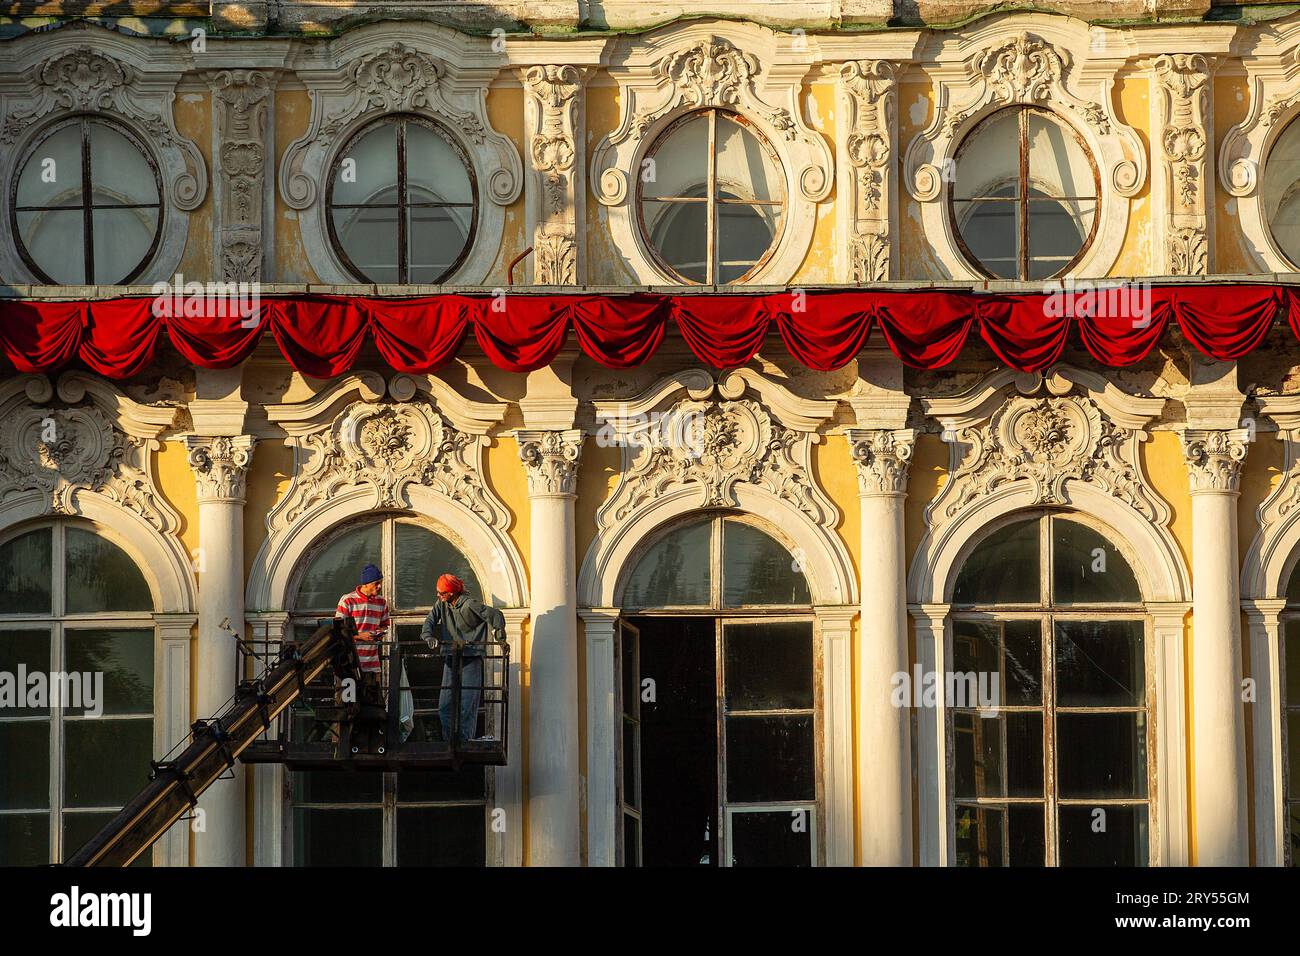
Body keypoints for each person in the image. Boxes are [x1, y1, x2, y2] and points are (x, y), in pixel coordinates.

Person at [420, 573, 505, 743]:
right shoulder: (441, 604)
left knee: (468, 704)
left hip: (470, 657)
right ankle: (449, 741)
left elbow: (496, 615)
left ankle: (464, 742)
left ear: (451, 593)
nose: (438, 595)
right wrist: (428, 636)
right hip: (451, 658)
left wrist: (500, 637)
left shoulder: (469, 605)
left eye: (441, 593)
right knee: (444, 706)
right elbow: (429, 622)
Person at [334, 563, 389, 705]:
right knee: (347, 707)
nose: (379, 587)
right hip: (349, 664)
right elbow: (338, 631)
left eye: (380, 583)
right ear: (366, 584)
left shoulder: (382, 603)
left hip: (372, 665)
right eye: (376, 583)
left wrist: (379, 633)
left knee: (371, 706)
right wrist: (360, 636)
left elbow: (384, 625)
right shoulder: (347, 600)